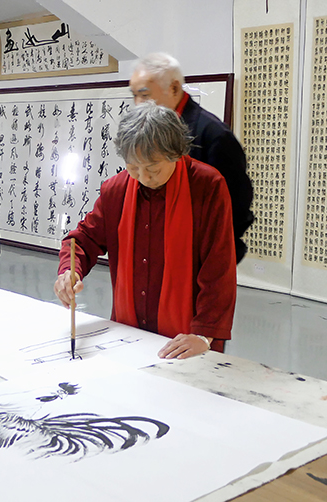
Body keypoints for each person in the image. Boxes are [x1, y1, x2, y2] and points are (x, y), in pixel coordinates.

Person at [54, 102, 237, 358]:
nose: (143, 177)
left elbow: (218, 267)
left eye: (152, 168)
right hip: (129, 333)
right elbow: (83, 240)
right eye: (133, 167)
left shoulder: (207, 186)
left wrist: (203, 334)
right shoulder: (116, 190)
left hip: (188, 336)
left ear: (176, 152)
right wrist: (69, 271)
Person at [129, 53, 253, 262]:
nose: (137, 103)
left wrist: (212, 254)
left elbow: (237, 205)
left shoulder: (213, 135)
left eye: (144, 95)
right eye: (134, 95)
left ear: (174, 88)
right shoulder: (145, 132)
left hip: (199, 255)